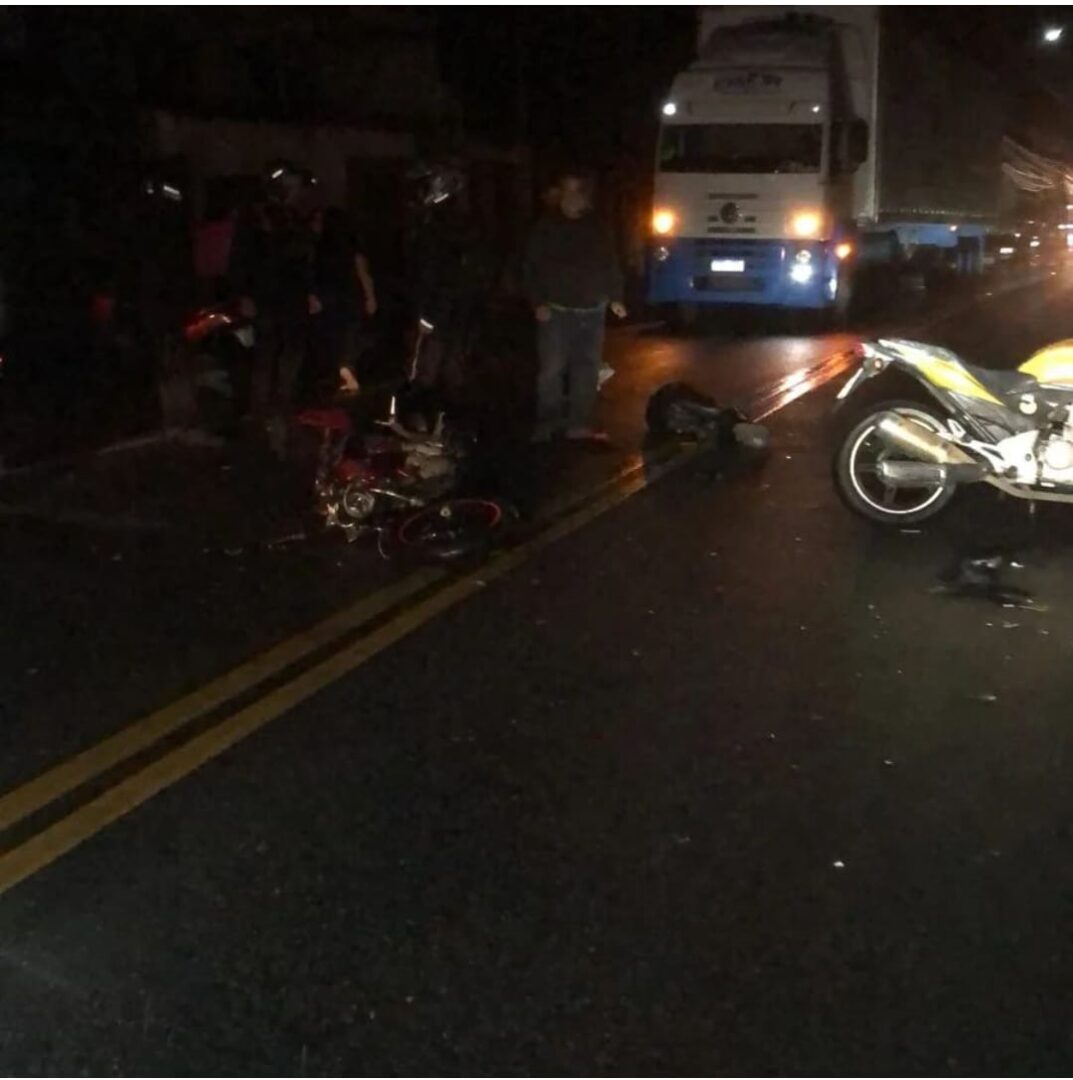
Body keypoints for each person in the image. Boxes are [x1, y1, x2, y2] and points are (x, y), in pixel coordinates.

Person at [522, 170, 627, 443]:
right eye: (566, 192)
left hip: (591, 311)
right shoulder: (546, 228)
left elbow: (611, 264)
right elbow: (531, 268)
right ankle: (548, 422)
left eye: (576, 192)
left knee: (587, 368)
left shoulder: (598, 228)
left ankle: (579, 422)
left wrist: (616, 297)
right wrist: (538, 302)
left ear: (585, 197)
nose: (570, 199)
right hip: (556, 310)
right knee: (552, 369)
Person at [228, 159, 320, 454]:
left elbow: (302, 258)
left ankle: (282, 409)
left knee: (291, 352)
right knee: (267, 353)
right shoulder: (257, 215)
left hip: (291, 298)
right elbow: (243, 256)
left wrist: (309, 292)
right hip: (267, 297)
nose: (296, 190)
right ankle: (262, 417)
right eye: (290, 185)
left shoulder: (294, 214)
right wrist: (244, 295)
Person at [311, 206, 377, 395]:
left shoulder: (321, 248)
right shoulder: (350, 247)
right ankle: (346, 377)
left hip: (332, 299)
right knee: (348, 339)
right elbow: (363, 273)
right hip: (349, 299)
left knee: (337, 340)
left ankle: (341, 378)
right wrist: (370, 297)